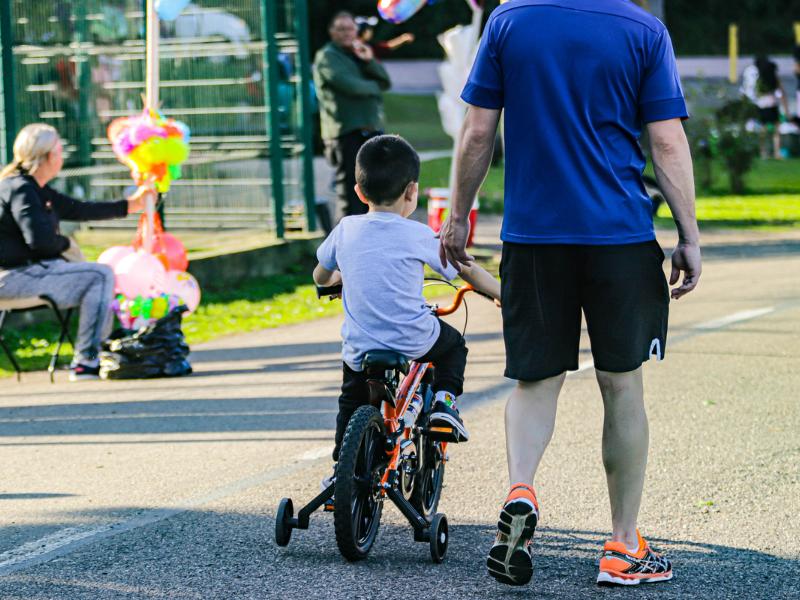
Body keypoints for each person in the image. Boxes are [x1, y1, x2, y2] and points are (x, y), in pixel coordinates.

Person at [439, 0, 701, 588]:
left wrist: (458, 217)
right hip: (619, 236)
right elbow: (666, 142)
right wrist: (688, 236)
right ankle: (623, 546)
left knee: (535, 381)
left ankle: (521, 490)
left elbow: (478, 131)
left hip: (533, 237)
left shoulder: (508, 21)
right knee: (621, 384)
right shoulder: (643, 30)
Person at [313, 134, 501, 477]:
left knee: (350, 400)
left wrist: (334, 280)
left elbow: (321, 275)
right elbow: (465, 269)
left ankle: (342, 470)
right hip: (412, 337)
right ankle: (444, 403)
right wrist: (501, 292)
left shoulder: (345, 229)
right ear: (412, 192)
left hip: (360, 345)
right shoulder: (419, 234)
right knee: (453, 347)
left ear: (359, 192)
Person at [0, 123, 154, 381]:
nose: (63, 155)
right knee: (100, 275)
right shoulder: (20, 188)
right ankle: (86, 360)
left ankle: (97, 353)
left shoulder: (34, 188)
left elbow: (79, 209)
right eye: (60, 150)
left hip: (27, 273)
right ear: (48, 156)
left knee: (97, 277)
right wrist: (66, 244)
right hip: (13, 278)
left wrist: (129, 205)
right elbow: (40, 242)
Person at [313, 11, 391, 220]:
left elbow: (385, 81)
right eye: (341, 29)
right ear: (332, 32)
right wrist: (374, 87)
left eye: (350, 28)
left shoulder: (358, 54)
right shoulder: (327, 56)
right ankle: (346, 238)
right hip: (346, 134)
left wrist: (369, 60)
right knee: (350, 194)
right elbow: (351, 87)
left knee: (372, 193)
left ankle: (367, 236)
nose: (347, 33)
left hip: (370, 132)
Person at [754, 55, 790, 159]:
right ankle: (777, 152)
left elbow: (756, 93)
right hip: (772, 104)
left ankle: (763, 151)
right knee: (776, 131)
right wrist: (786, 109)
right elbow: (782, 93)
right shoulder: (774, 79)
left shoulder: (759, 80)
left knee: (763, 130)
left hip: (762, 105)